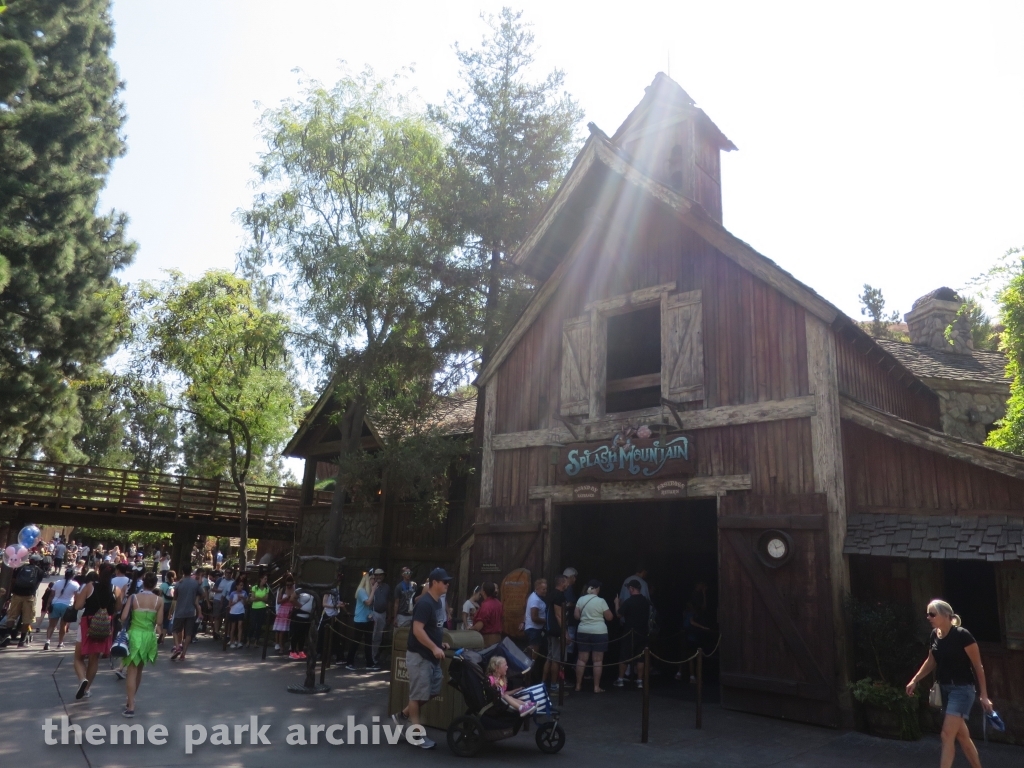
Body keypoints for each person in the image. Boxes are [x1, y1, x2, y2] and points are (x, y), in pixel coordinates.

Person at [907, 600, 993, 768]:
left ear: (946, 615)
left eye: (932, 614)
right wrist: (915, 680)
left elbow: (977, 665)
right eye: (927, 614)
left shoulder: (962, 635)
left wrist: (984, 695)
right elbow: (931, 661)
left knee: (947, 735)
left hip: (962, 690)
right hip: (944, 689)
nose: (928, 617)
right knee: (962, 737)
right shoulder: (934, 635)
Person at [391, 568, 451, 749]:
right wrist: (433, 647)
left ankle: (402, 715)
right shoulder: (424, 604)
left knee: (432, 691)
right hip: (419, 656)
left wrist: (440, 644)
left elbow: (434, 628)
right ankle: (416, 734)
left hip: (431, 656)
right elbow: (417, 630)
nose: (447, 584)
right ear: (434, 583)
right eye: (444, 581)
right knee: (417, 695)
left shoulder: (437, 603)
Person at [72, 563, 118, 700]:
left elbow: (78, 606)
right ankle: (87, 689)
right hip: (105, 624)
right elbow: (118, 607)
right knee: (94, 658)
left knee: (78, 657)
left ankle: (82, 679)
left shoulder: (90, 586)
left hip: (88, 623)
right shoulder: (116, 589)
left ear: (98, 571)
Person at [120, 571, 163, 717]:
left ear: (143, 583)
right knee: (139, 670)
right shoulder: (159, 601)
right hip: (148, 636)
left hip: (134, 635)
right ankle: (131, 699)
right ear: (155, 584)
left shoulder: (134, 597)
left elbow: (123, 617)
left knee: (131, 671)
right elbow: (159, 622)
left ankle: (130, 704)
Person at [574, 579, 613, 693]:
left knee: (581, 659)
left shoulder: (581, 599)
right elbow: (609, 617)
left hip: (583, 631)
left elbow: (576, 616)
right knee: (597, 661)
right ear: (596, 589)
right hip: (599, 632)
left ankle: (578, 685)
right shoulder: (601, 601)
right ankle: (596, 687)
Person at [615, 579, 651, 688]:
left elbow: (618, 614)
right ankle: (640, 680)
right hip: (643, 633)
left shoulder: (629, 601)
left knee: (624, 656)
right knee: (641, 658)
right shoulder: (645, 601)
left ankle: (620, 679)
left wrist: (616, 603)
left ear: (632, 589)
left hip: (629, 633)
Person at [4, 554, 45, 647]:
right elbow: (37, 584)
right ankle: (22, 641)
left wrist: (9, 594)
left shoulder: (20, 568)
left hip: (16, 594)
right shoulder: (40, 571)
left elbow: (13, 581)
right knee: (27, 619)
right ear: (38, 562)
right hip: (29, 596)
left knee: (12, 616)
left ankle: (8, 635)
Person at [44, 568, 81, 651]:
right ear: (73, 575)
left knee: (51, 625)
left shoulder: (57, 583)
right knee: (63, 625)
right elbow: (76, 597)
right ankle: (60, 643)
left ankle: (47, 641)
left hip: (55, 605)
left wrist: (48, 605)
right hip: (67, 606)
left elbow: (51, 595)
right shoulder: (75, 584)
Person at [170, 570, 202, 661]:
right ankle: (183, 654)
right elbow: (202, 593)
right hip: (191, 612)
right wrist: (196, 599)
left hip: (180, 610)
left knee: (175, 630)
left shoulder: (179, 583)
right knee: (188, 633)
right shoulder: (195, 583)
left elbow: (175, 597)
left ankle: (177, 647)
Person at [346, 572, 375, 670]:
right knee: (356, 641)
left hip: (368, 619)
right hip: (360, 620)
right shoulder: (361, 591)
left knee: (368, 642)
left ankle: (370, 663)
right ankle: (349, 662)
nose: (374, 581)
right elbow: (368, 602)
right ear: (367, 579)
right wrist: (374, 590)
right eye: (372, 579)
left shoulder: (369, 591)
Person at [544, 575, 568, 691]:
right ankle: (554, 684)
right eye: (566, 582)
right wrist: (564, 632)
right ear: (562, 583)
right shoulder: (559, 595)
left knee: (550, 657)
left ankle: (544, 683)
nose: (568, 584)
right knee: (556, 659)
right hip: (556, 630)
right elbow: (559, 615)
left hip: (549, 629)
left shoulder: (550, 594)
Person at [369, 568, 390, 668]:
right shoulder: (371, 586)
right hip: (374, 613)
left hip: (383, 614)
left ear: (383, 576)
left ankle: (374, 657)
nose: (378, 577)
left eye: (380, 575)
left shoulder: (387, 587)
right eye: (376, 575)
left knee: (379, 637)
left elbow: (389, 601)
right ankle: (371, 658)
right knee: (372, 636)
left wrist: (389, 615)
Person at [471, 582, 504, 646]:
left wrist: (471, 628)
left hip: (488, 639)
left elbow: (479, 626)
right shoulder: (499, 603)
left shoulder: (486, 606)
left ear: (483, 592)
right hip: (498, 638)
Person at [524, 578, 548, 658]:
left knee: (534, 652)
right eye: (543, 589)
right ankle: (530, 669)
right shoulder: (535, 600)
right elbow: (534, 617)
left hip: (535, 629)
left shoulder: (534, 596)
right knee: (534, 654)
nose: (545, 591)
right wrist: (546, 621)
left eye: (546, 589)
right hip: (534, 629)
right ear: (537, 588)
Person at [273, 573, 295, 654]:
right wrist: (285, 598)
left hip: (291, 609)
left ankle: (291, 646)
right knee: (281, 630)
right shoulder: (282, 589)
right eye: (287, 584)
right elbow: (278, 601)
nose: (289, 586)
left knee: (291, 630)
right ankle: (281, 646)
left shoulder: (295, 590)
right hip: (283, 610)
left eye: (290, 584)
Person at [290, 587, 314, 659]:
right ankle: (292, 651)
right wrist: (300, 606)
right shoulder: (299, 590)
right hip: (299, 616)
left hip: (307, 617)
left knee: (303, 635)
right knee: (296, 634)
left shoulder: (312, 591)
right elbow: (291, 599)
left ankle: (301, 650)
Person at [248, 573, 271, 648]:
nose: (265, 580)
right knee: (253, 625)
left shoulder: (266, 589)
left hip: (262, 608)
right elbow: (252, 598)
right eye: (264, 579)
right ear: (261, 579)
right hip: (255, 608)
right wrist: (260, 598)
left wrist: (258, 598)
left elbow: (266, 599)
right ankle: (249, 639)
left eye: (266, 579)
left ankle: (256, 641)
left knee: (259, 626)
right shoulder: (255, 587)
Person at [227, 574, 248, 649]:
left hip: (241, 611)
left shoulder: (244, 593)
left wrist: (243, 599)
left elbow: (245, 603)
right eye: (239, 585)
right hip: (233, 611)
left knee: (240, 626)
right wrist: (237, 600)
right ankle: (231, 641)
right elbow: (230, 604)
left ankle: (239, 641)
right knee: (233, 627)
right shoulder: (233, 593)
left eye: (242, 585)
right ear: (236, 586)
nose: (241, 587)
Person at [562, 567, 578, 655]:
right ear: (570, 577)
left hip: (567, 621)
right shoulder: (568, 588)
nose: (575, 579)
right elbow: (569, 603)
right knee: (569, 646)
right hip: (569, 621)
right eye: (574, 577)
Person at [156, 570, 174, 645]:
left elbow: (159, 594)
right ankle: (163, 638)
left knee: (159, 620)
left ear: (166, 577)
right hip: (171, 605)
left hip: (163, 604)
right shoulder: (174, 585)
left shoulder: (163, 585)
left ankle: (160, 634)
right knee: (166, 621)